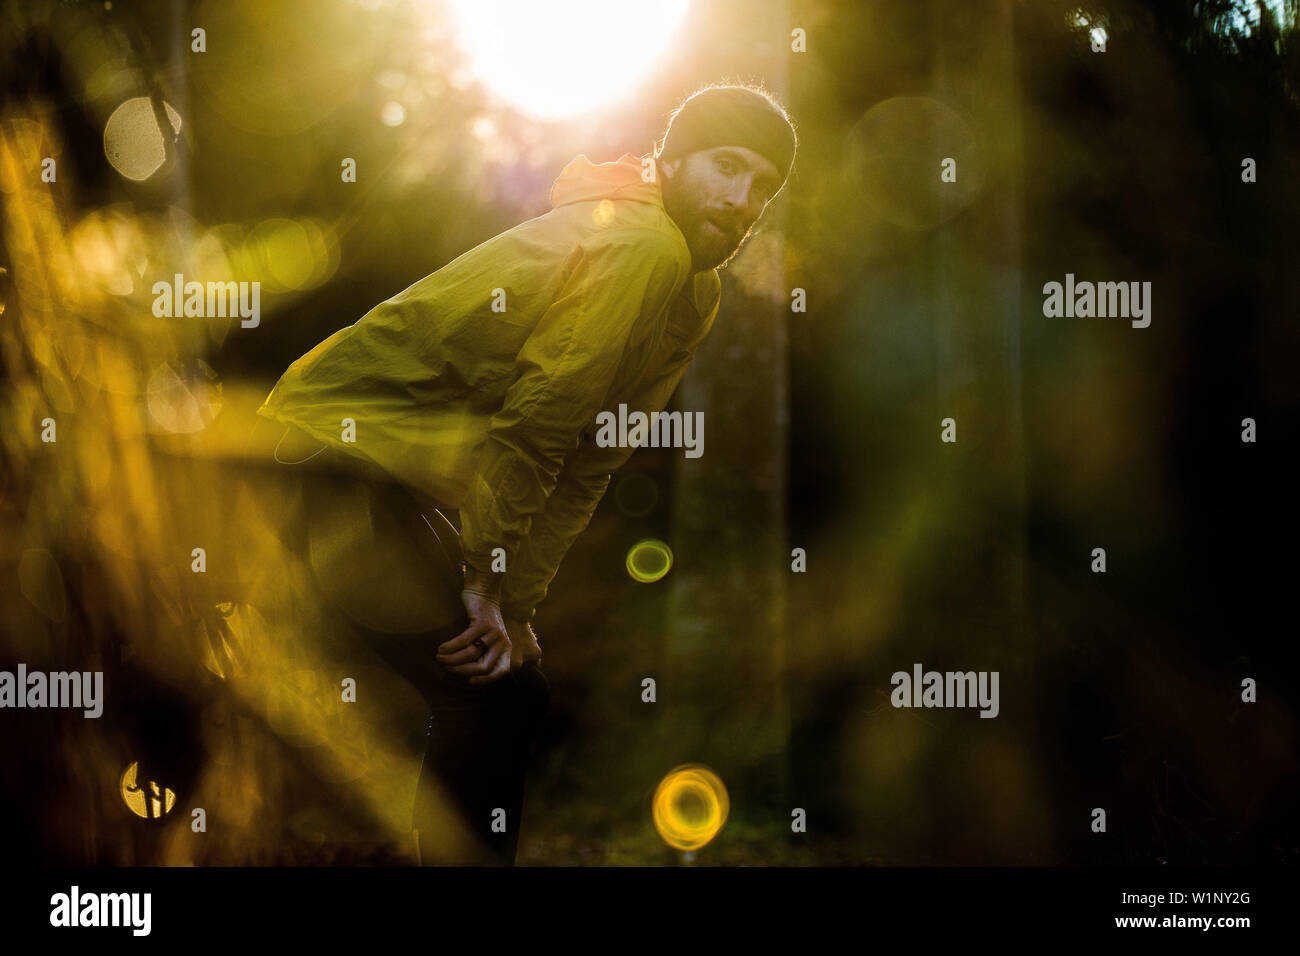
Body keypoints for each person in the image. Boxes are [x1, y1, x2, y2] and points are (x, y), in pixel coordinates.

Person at [249, 83, 798, 864]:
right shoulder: (644, 245)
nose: (743, 201)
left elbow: (592, 456)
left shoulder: (695, 291)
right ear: (672, 160)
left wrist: (518, 604)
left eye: (763, 188)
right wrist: (484, 580)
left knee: (505, 683)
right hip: (329, 447)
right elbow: (541, 418)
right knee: (488, 692)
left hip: (389, 468)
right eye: (728, 167)